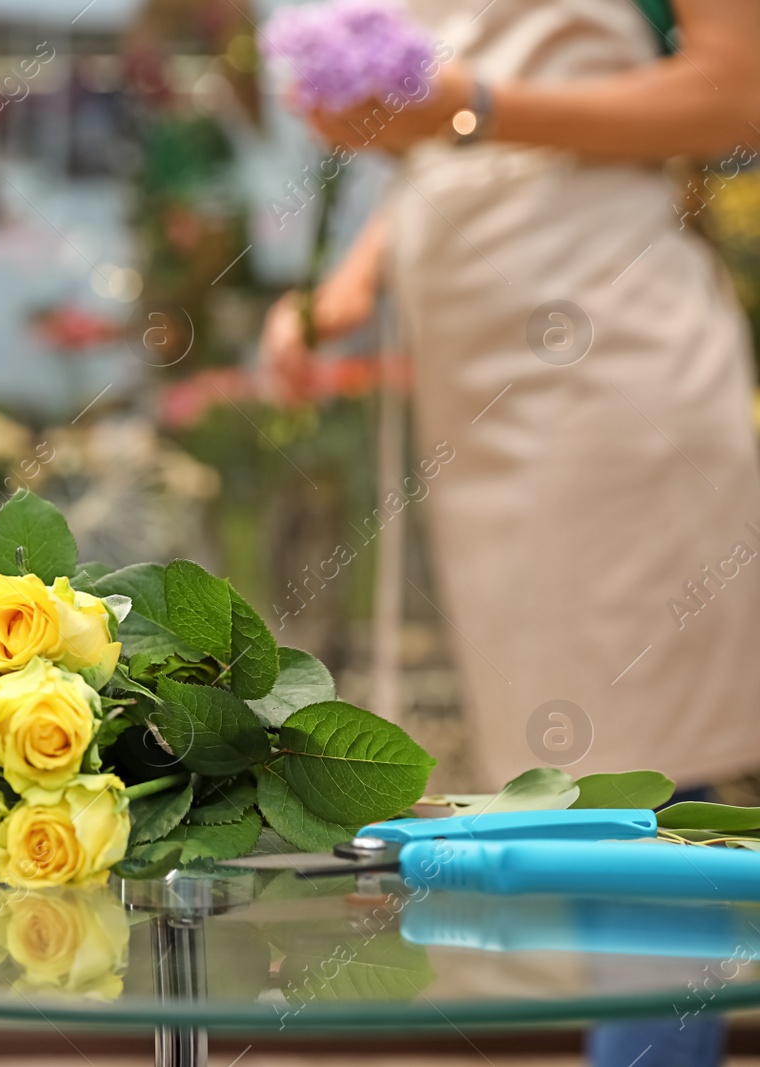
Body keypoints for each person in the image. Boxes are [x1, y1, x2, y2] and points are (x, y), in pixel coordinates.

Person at [263, 3, 760, 1063]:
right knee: (572, 764)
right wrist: (344, 288)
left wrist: (472, 108)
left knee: (644, 764)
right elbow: (447, 145)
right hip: (483, 387)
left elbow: (735, 92)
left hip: (609, 353)